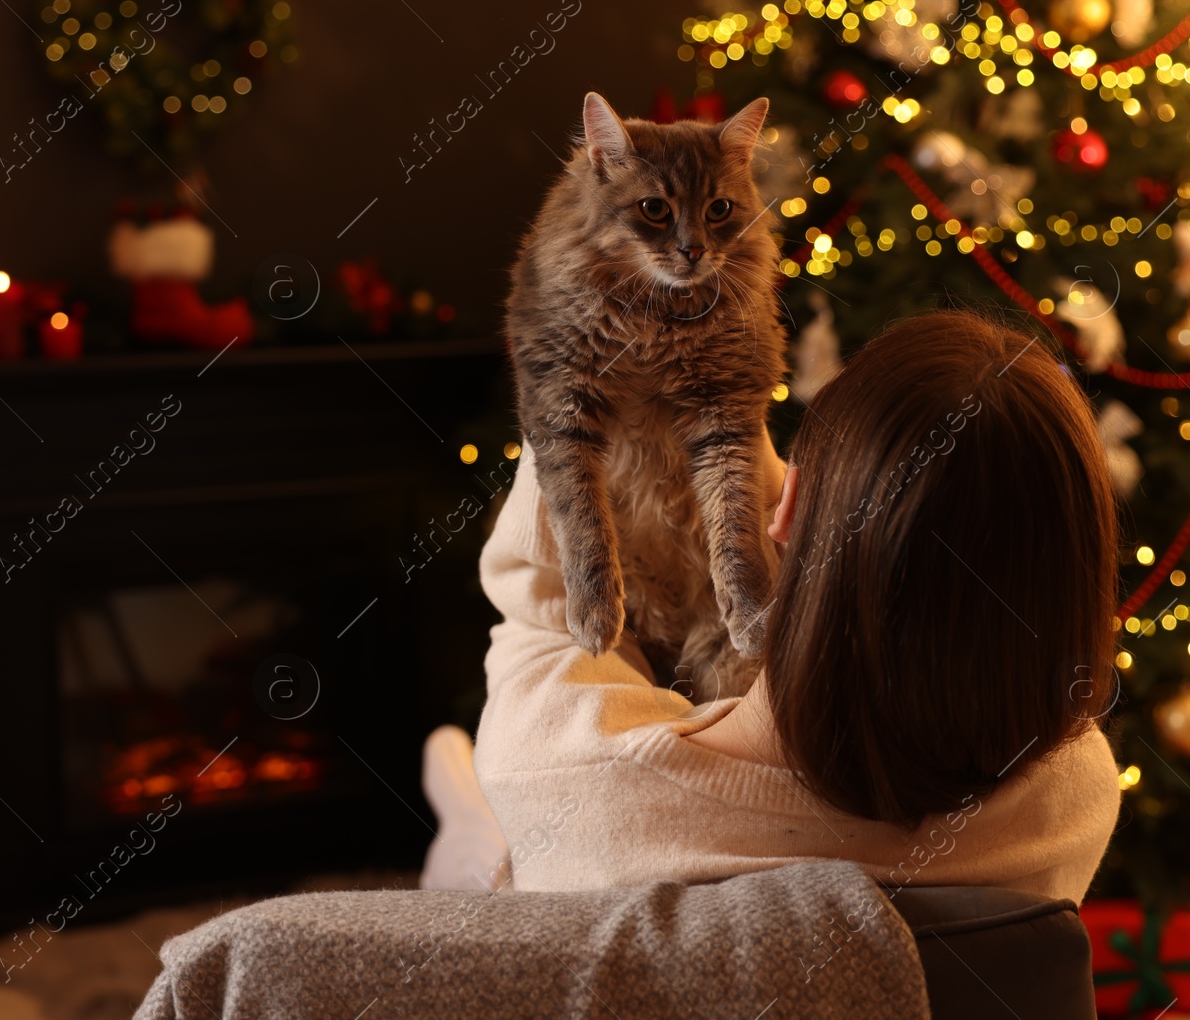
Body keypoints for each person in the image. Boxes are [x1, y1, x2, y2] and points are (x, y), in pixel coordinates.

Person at [420, 312, 1122, 904]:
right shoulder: (1070, 799)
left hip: (515, 874)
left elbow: (542, 603)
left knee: (477, 848)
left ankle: (462, 810)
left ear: (785, 509)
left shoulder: (573, 779)